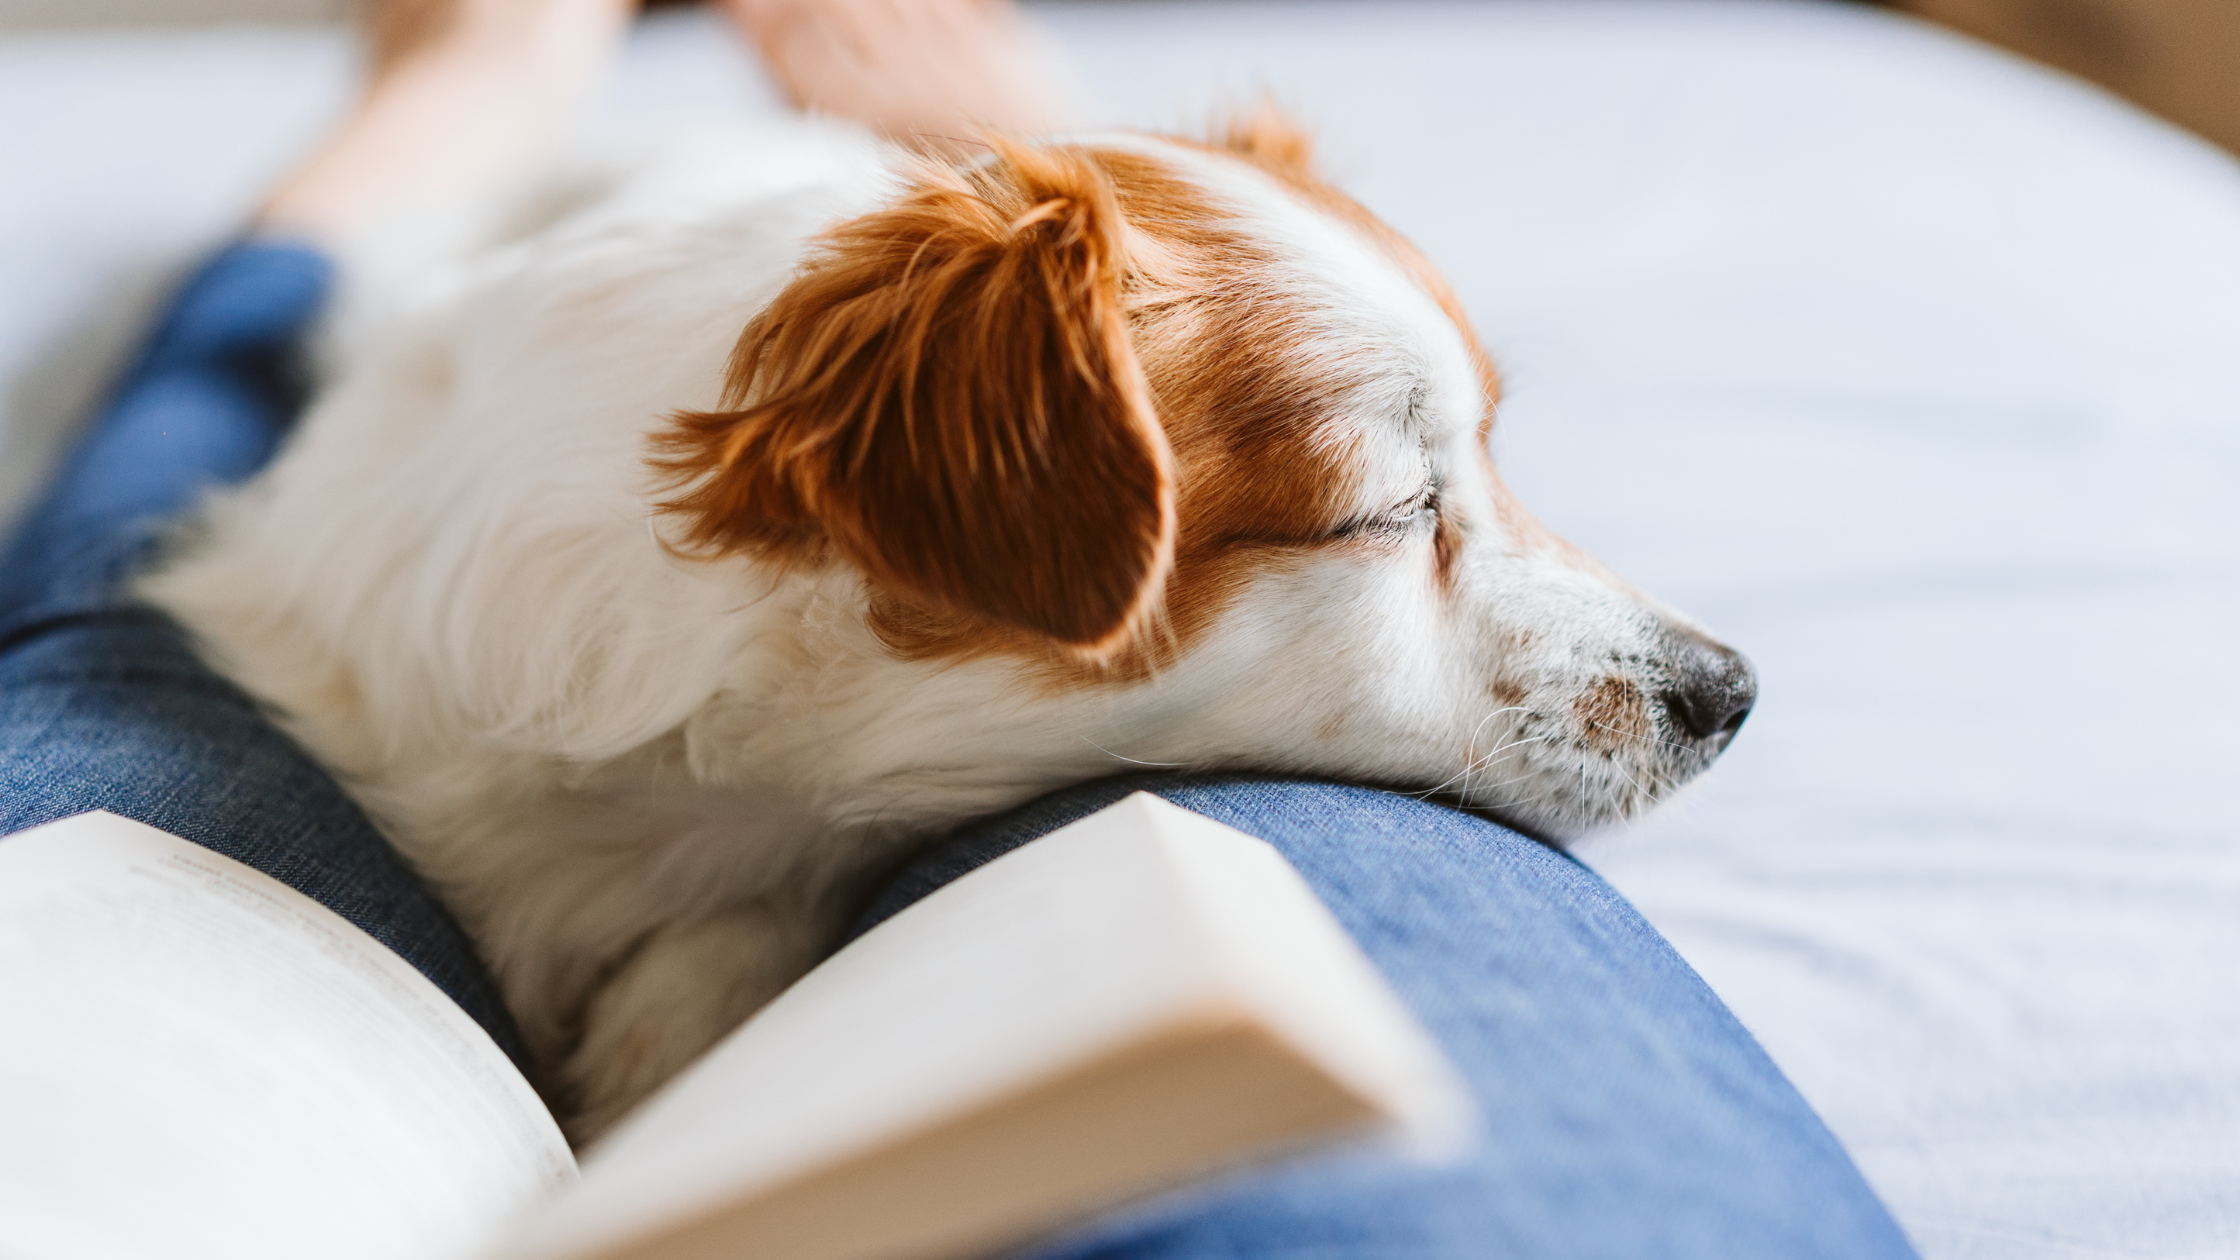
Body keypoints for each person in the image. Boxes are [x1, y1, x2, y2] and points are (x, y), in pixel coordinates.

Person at [0, 2, 1920, 1255]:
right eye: (1389, 510)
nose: (1652, 642)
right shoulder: (939, 474)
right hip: (495, 418)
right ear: (978, 513)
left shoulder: (1038, 475)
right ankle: (467, 94)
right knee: (208, 441)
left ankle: (1042, 156)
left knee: (105, 619)